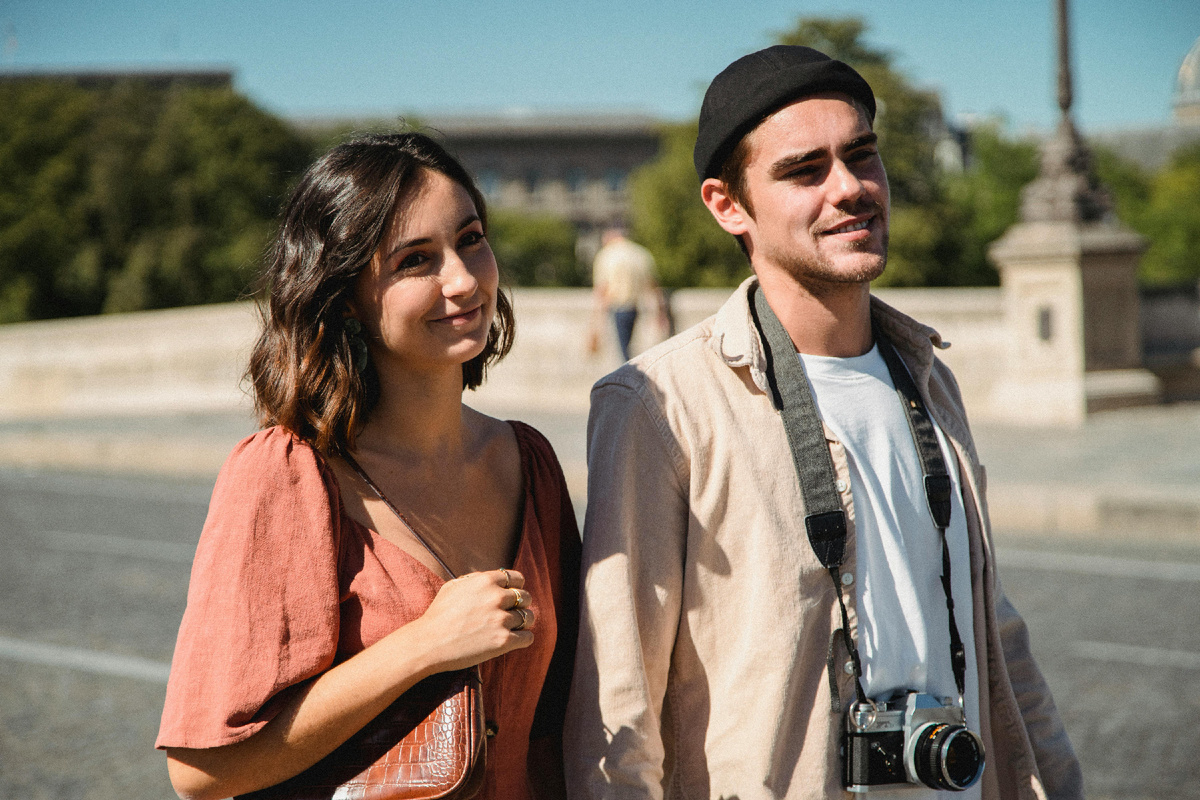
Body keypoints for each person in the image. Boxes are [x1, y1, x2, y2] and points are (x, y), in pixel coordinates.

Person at [564, 46, 1083, 800]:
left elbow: (994, 631)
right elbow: (619, 699)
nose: (850, 189)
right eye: (805, 170)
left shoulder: (931, 377)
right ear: (726, 205)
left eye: (862, 157)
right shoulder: (659, 403)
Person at [156, 132, 579, 800]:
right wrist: (426, 644)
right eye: (416, 260)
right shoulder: (288, 474)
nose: (464, 280)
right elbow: (201, 772)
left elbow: (558, 725)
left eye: (470, 239)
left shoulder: (530, 461)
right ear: (346, 292)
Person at [589, 227, 668, 361]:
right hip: (637, 307)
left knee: (624, 354)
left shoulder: (607, 255)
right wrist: (660, 314)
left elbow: (601, 291)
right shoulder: (640, 253)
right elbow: (653, 286)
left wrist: (594, 326)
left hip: (618, 307)